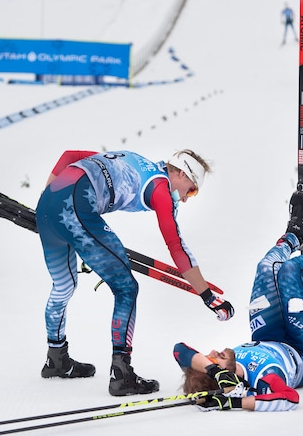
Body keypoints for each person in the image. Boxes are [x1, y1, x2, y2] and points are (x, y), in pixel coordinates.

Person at [36, 149, 235, 396]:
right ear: (182, 173)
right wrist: (208, 297)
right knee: (126, 288)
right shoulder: (162, 190)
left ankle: (56, 359)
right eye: (191, 190)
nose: (185, 198)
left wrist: (49, 199)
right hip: (77, 206)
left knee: (63, 286)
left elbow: (68, 156)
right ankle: (121, 375)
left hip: (48, 203)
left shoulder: (139, 161)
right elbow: (177, 247)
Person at [173, 191, 303, 411]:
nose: (214, 352)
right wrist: (234, 402)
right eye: (215, 361)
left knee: (265, 267)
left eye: (208, 360)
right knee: (289, 271)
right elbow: (289, 398)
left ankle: (295, 234)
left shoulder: (225, 362)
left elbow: (179, 350)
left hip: (267, 333)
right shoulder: (263, 377)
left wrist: (213, 369)